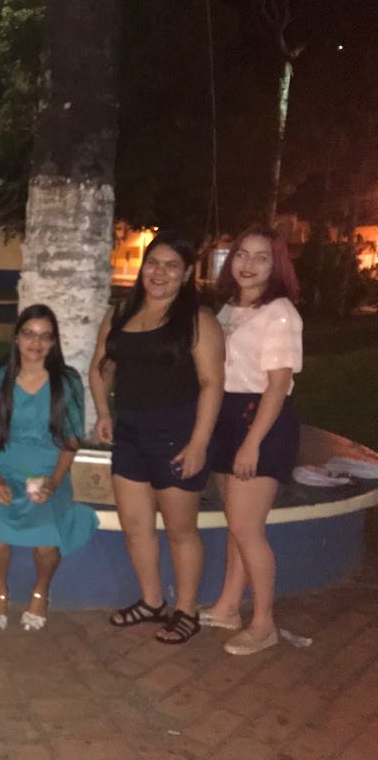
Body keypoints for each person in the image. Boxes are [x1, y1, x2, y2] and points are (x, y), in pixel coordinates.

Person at [89, 231, 224, 644]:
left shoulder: (197, 320)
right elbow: (100, 366)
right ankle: (151, 601)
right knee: (135, 526)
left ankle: (187, 610)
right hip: (129, 432)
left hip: (176, 434)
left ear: (187, 274)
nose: (159, 273)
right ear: (142, 268)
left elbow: (212, 384)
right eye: (153, 263)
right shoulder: (121, 313)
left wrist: (199, 443)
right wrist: (104, 411)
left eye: (171, 266)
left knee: (181, 529)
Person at [201, 225, 303, 655]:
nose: (248, 264)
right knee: (237, 524)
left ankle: (264, 623)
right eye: (242, 254)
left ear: (276, 266)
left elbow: (278, 385)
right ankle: (228, 606)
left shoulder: (279, 312)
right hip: (227, 415)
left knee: (247, 528)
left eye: (262, 258)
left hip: (259, 420)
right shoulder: (230, 308)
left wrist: (252, 442)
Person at [0, 304, 99, 632]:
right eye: (29, 334)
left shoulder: (67, 381)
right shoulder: (1, 378)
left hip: (49, 472)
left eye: (45, 336)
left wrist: (54, 482)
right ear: (17, 338)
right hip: (6, 470)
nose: (36, 342)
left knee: (47, 535)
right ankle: (0, 592)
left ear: (54, 342)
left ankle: (41, 591)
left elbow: (71, 440)